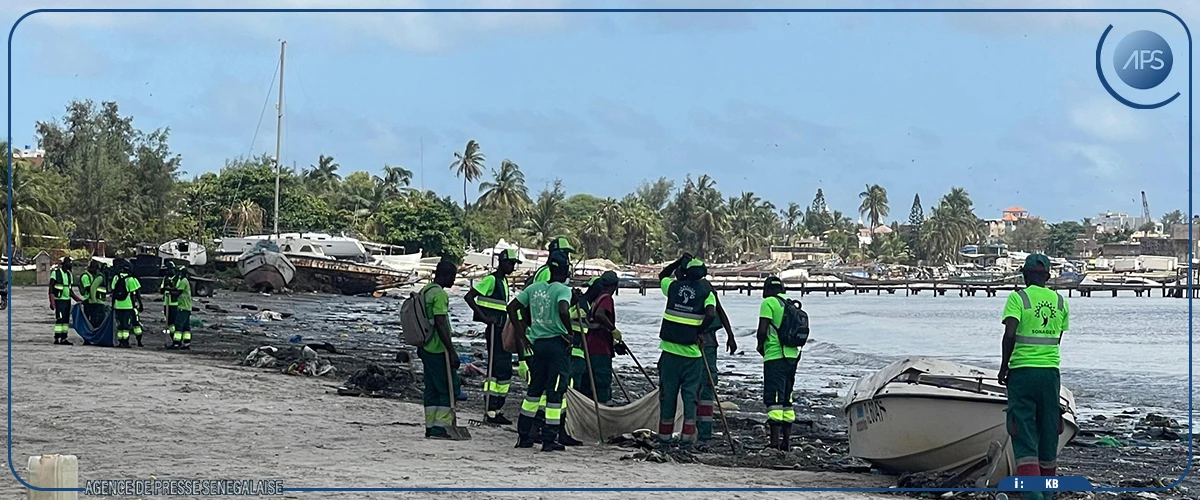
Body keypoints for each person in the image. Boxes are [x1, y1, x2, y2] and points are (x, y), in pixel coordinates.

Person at [999, 254, 1069, 497]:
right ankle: (1047, 493)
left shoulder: (1018, 298)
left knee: (1024, 430)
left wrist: (1003, 367)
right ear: (1048, 276)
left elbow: (1009, 335)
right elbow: (1057, 339)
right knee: (1049, 429)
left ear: (1024, 275)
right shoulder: (1060, 302)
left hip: (1022, 373)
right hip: (1050, 374)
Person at [507, 253, 574, 452]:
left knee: (533, 392)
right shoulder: (563, 290)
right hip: (556, 345)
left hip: (537, 345)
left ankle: (524, 435)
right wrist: (570, 333)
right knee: (555, 393)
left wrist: (522, 333)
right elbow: (563, 310)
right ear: (565, 270)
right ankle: (549, 439)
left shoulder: (533, 288)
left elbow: (512, 308)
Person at [655, 254, 716, 450]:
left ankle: (664, 440)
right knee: (691, 398)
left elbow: (661, 276)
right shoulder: (707, 291)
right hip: (693, 355)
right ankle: (687, 440)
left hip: (670, 352)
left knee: (668, 396)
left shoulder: (673, 287)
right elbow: (711, 314)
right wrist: (698, 330)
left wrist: (676, 262)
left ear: (684, 271)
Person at [464, 248, 521, 425]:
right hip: (494, 328)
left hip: (501, 328)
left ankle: (495, 409)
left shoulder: (503, 281)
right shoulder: (491, 280)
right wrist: (483, 317)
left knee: (501, 369)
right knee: (498, 368)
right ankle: (491, 409)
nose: (512, 267)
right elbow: (470, 297)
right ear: (502, 262)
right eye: (510, 263)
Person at [756, 276, 800, 451]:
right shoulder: (788, 303)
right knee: (787, 398)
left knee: (774, 399)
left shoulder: (769, 303)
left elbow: (762, 330)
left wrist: (761, 346)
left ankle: (774, 443)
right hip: (792, 356)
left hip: (775, 356)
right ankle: (786, 442)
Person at [419, 260, 462, 439]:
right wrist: (451, 350)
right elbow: (441, 322)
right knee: (448, 387)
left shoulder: (425, 291)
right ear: (445, 275)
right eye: (453, 276)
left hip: (425, 346)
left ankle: (430, 426)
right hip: (437, 348)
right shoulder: (440, 295)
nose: (453, 280)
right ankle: (441, 427)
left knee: (431, 388)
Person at [697, 282, 737, 451]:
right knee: (698, 386)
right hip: (697, 343)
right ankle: (697, 431)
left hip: (706, 343)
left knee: (706, 386)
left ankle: (703, 433)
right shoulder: (699, 290)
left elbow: (718, 311)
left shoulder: (705, 290)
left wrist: (730, 335)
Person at [580, 272, 621, 404]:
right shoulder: (606, 298)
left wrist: (614, 342)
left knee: (589, 383)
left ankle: (591, 409)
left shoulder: (596, 299)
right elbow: (600, 315)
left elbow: (592, 321)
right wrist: (612, 329)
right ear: (614, 286)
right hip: (600, 349)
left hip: (591, 347)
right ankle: (604, 411)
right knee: (602, 382)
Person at [49, 257, 84, 345]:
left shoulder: (69, 275)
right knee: (60, 320)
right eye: (68, 263)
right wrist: (52, 302)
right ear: (63, 264)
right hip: (59, 300)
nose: (69, 265)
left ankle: (64, 338)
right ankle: (57, 338)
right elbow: (51, 288)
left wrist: (78, 300)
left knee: (65, 320)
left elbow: (70, 290)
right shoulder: (55, 273)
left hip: (67, 301)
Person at [110, 259, 145, 348]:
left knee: (120, 325)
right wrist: (139, 304)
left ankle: (121, 341)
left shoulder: (116, 278)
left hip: (118, 306)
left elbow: (113, 293)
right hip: (129, 306)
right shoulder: (131, 280)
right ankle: (130, 341)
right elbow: (135, 294)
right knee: (132, 324)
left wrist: (113, 305)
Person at [169, 265, 193, 350]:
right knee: (186, 327)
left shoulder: (183, 281)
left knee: (178, 325)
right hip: (187, 307)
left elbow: (178, 292)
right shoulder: (184, 281)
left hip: (183, 307)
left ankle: (176, 343)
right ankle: (186, 344)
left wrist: (170, 292)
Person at [161, 261, 179, 342]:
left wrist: (170, 287)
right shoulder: (165, 279)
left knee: (173, 321)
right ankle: (173, 338)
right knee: (169, 322)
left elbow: (178, 290)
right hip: (166, 303)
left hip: (175, 304)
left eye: (169, 270)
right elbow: (161, 290)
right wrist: (164, 287)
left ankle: (176, 339)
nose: (167, 272)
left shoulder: (177, 279)